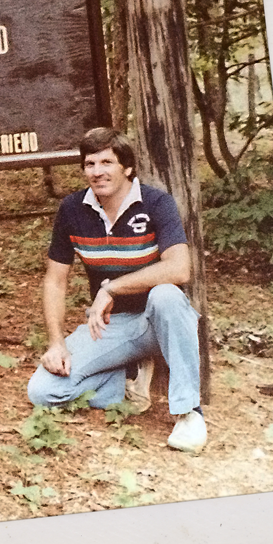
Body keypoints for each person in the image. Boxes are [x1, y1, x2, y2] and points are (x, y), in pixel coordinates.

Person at [27, 127, 206, 452]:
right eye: (90, 164)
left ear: (127, 167)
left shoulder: (156, 203)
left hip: (160, 320)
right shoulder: (72, 210)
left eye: (106, 162)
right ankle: (124, 382)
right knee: (43, 391)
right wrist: (56, 343)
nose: (97, 172)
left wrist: (112, 289)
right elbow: (55, 279)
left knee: (165, 294)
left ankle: (189, 413)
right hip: (112, 326)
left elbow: (180, 268)